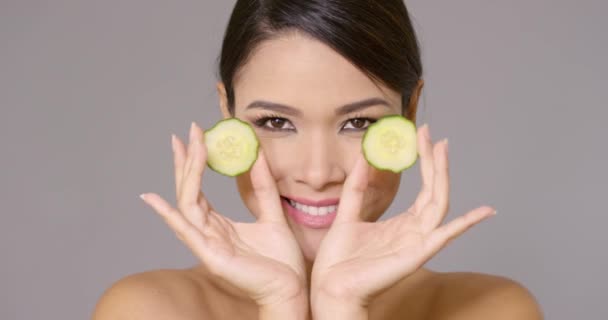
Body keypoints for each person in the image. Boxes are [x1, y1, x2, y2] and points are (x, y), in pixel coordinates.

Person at [92, 1, 543, 319]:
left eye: (359, 123)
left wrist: (342, 306)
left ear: (410, 111)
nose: (318, 173)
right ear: (227, 114)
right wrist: (281, 303)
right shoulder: (146, 310)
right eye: (275, 122)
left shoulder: (494, 310)